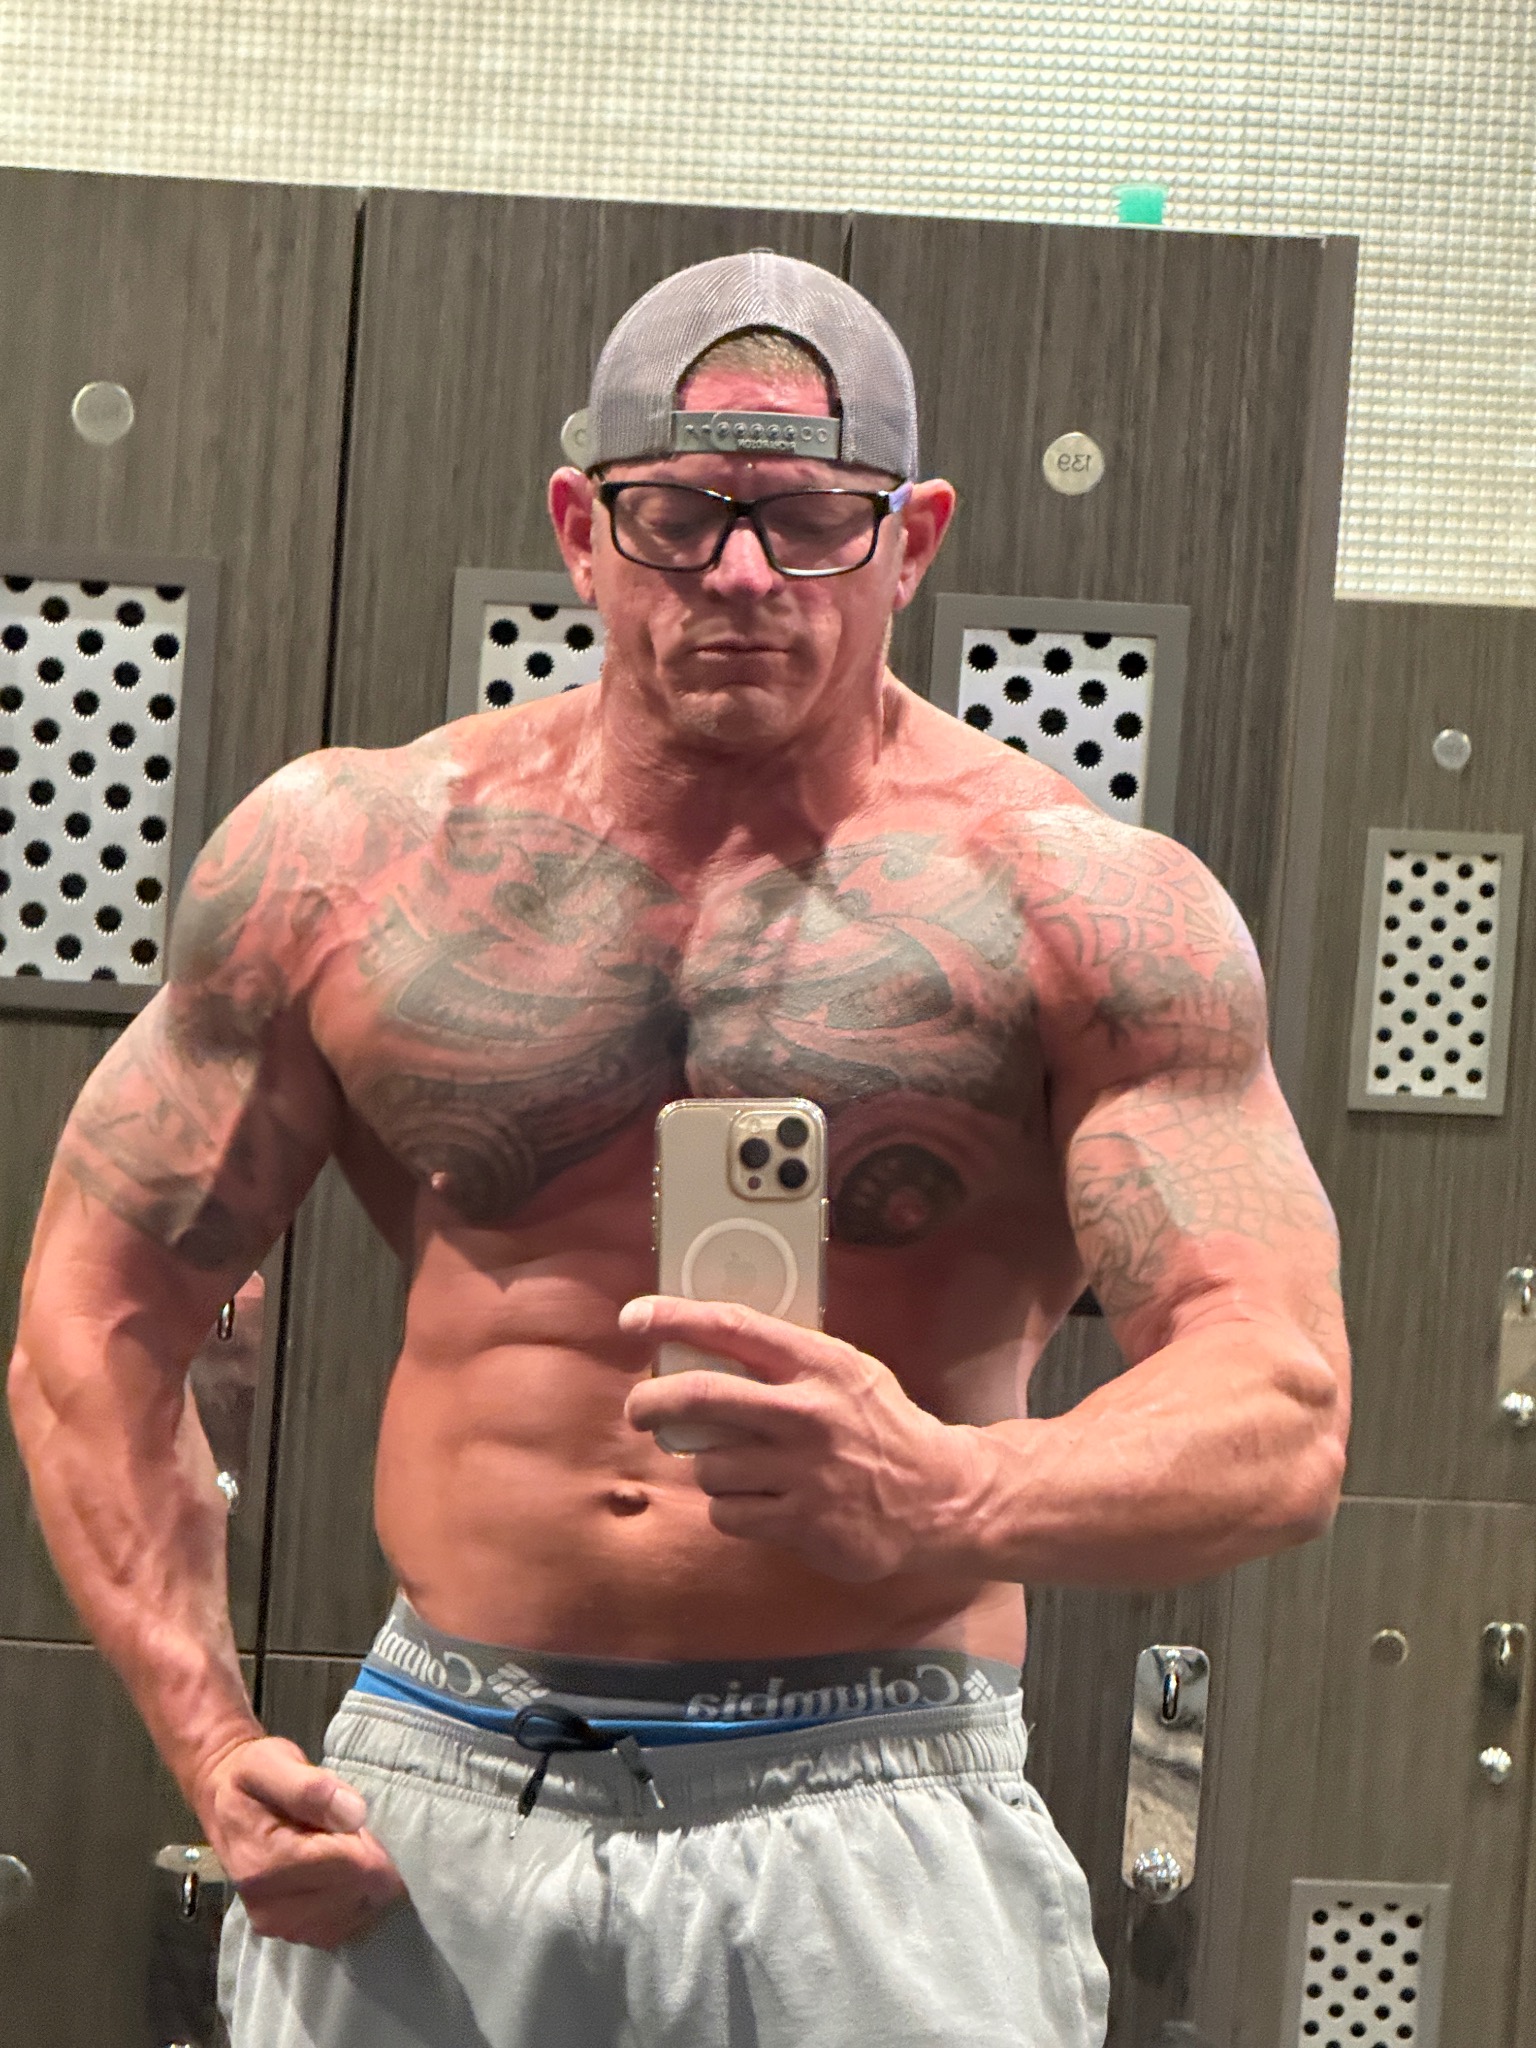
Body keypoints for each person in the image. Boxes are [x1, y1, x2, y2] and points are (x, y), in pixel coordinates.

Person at [6, 251, 1348, 2048]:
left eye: (812, 519)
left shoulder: (1087, 908)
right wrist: (210, 1737)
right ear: (582, 529)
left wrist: (955, 1492)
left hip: (869, 1802)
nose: (742, 574)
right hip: (435, 1797)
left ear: (913, 541)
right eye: (680, 515)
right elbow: (96, 1320)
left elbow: (1279, 1404)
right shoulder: (349, 861)